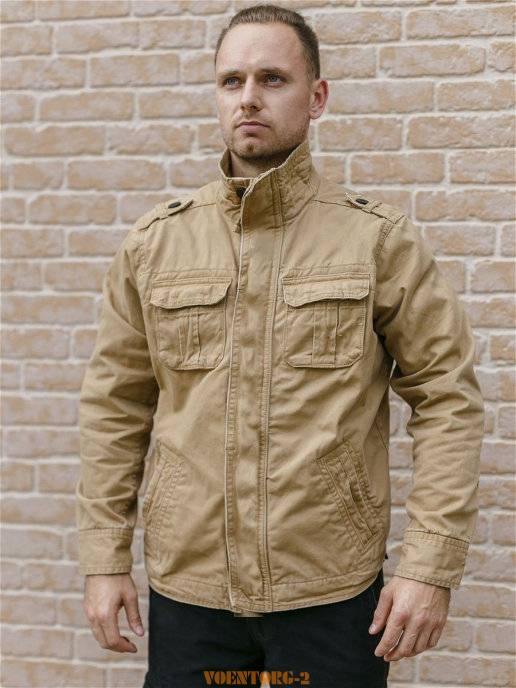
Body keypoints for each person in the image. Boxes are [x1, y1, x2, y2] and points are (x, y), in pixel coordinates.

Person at [75, 4, 485, 687]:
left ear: (316, 97)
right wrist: (103, 558)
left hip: (330, 594)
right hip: (191, 594)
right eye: (231, 81)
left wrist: (429, 567)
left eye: (272, 78)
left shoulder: (377, 242)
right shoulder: (156, 244)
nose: (249, 98)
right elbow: (115, 408)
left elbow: (448, 400)